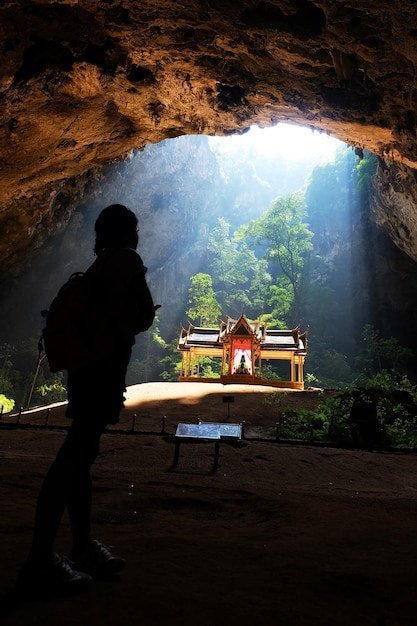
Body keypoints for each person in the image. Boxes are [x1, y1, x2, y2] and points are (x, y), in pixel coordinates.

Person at [16, 204, 157, 597]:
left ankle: (81, 547)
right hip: (102, 370)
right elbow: (144, 314)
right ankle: (39, 559)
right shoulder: (127, 259)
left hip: (84, 369)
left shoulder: (98, 267)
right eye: (136, 229)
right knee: (73, 457)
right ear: (129, 232)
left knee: (82, 455)